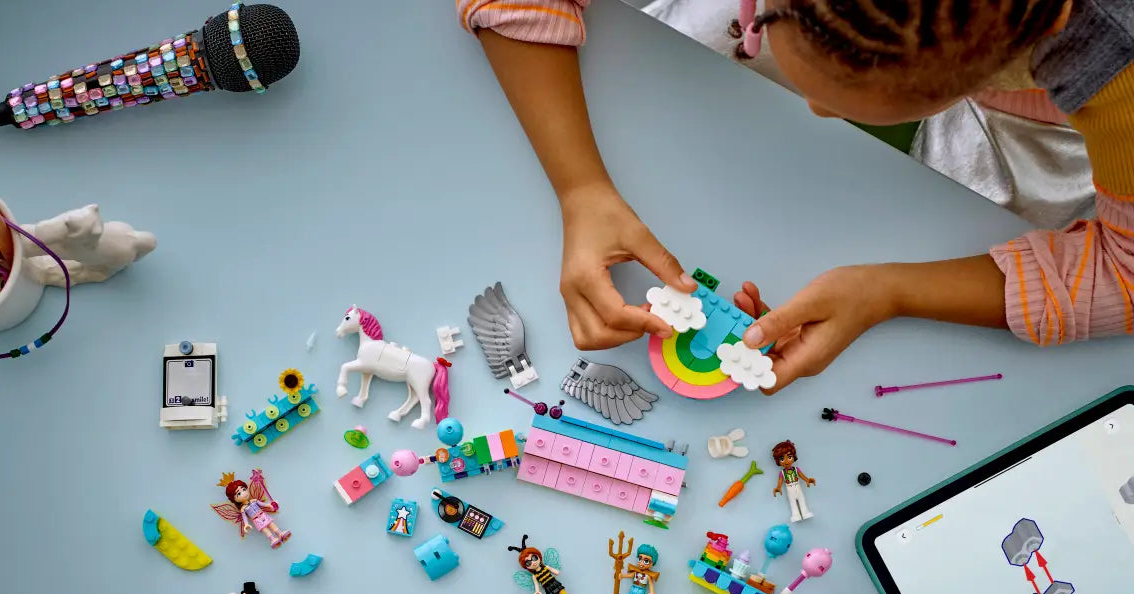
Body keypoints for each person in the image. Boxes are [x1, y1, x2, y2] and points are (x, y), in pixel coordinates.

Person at [455, 0, 1134, 392]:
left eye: (850, 103)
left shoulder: (1118, 76)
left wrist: (888, 291)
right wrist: (580, 187)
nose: (814, 110)